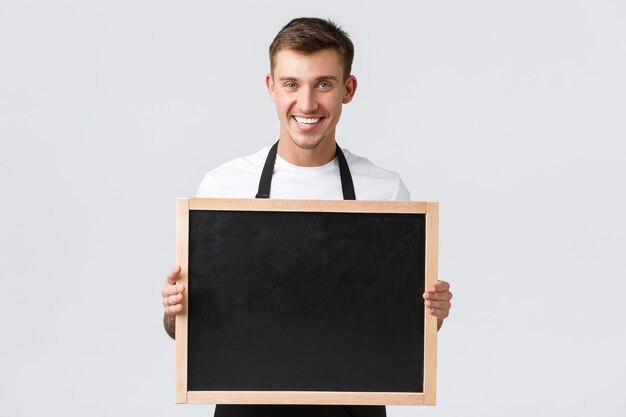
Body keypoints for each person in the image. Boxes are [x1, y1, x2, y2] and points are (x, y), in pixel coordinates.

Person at [161, 17, 453, 417]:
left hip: (352, 408)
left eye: (324, 84)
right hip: (247, 407)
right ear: (271, 88)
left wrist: (432, 313)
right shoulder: (223, 189)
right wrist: (175, 311)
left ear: (348, 89)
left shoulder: (384, 192)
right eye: (291, 84)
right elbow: (186, 333)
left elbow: (405, 333)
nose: (307, 103)